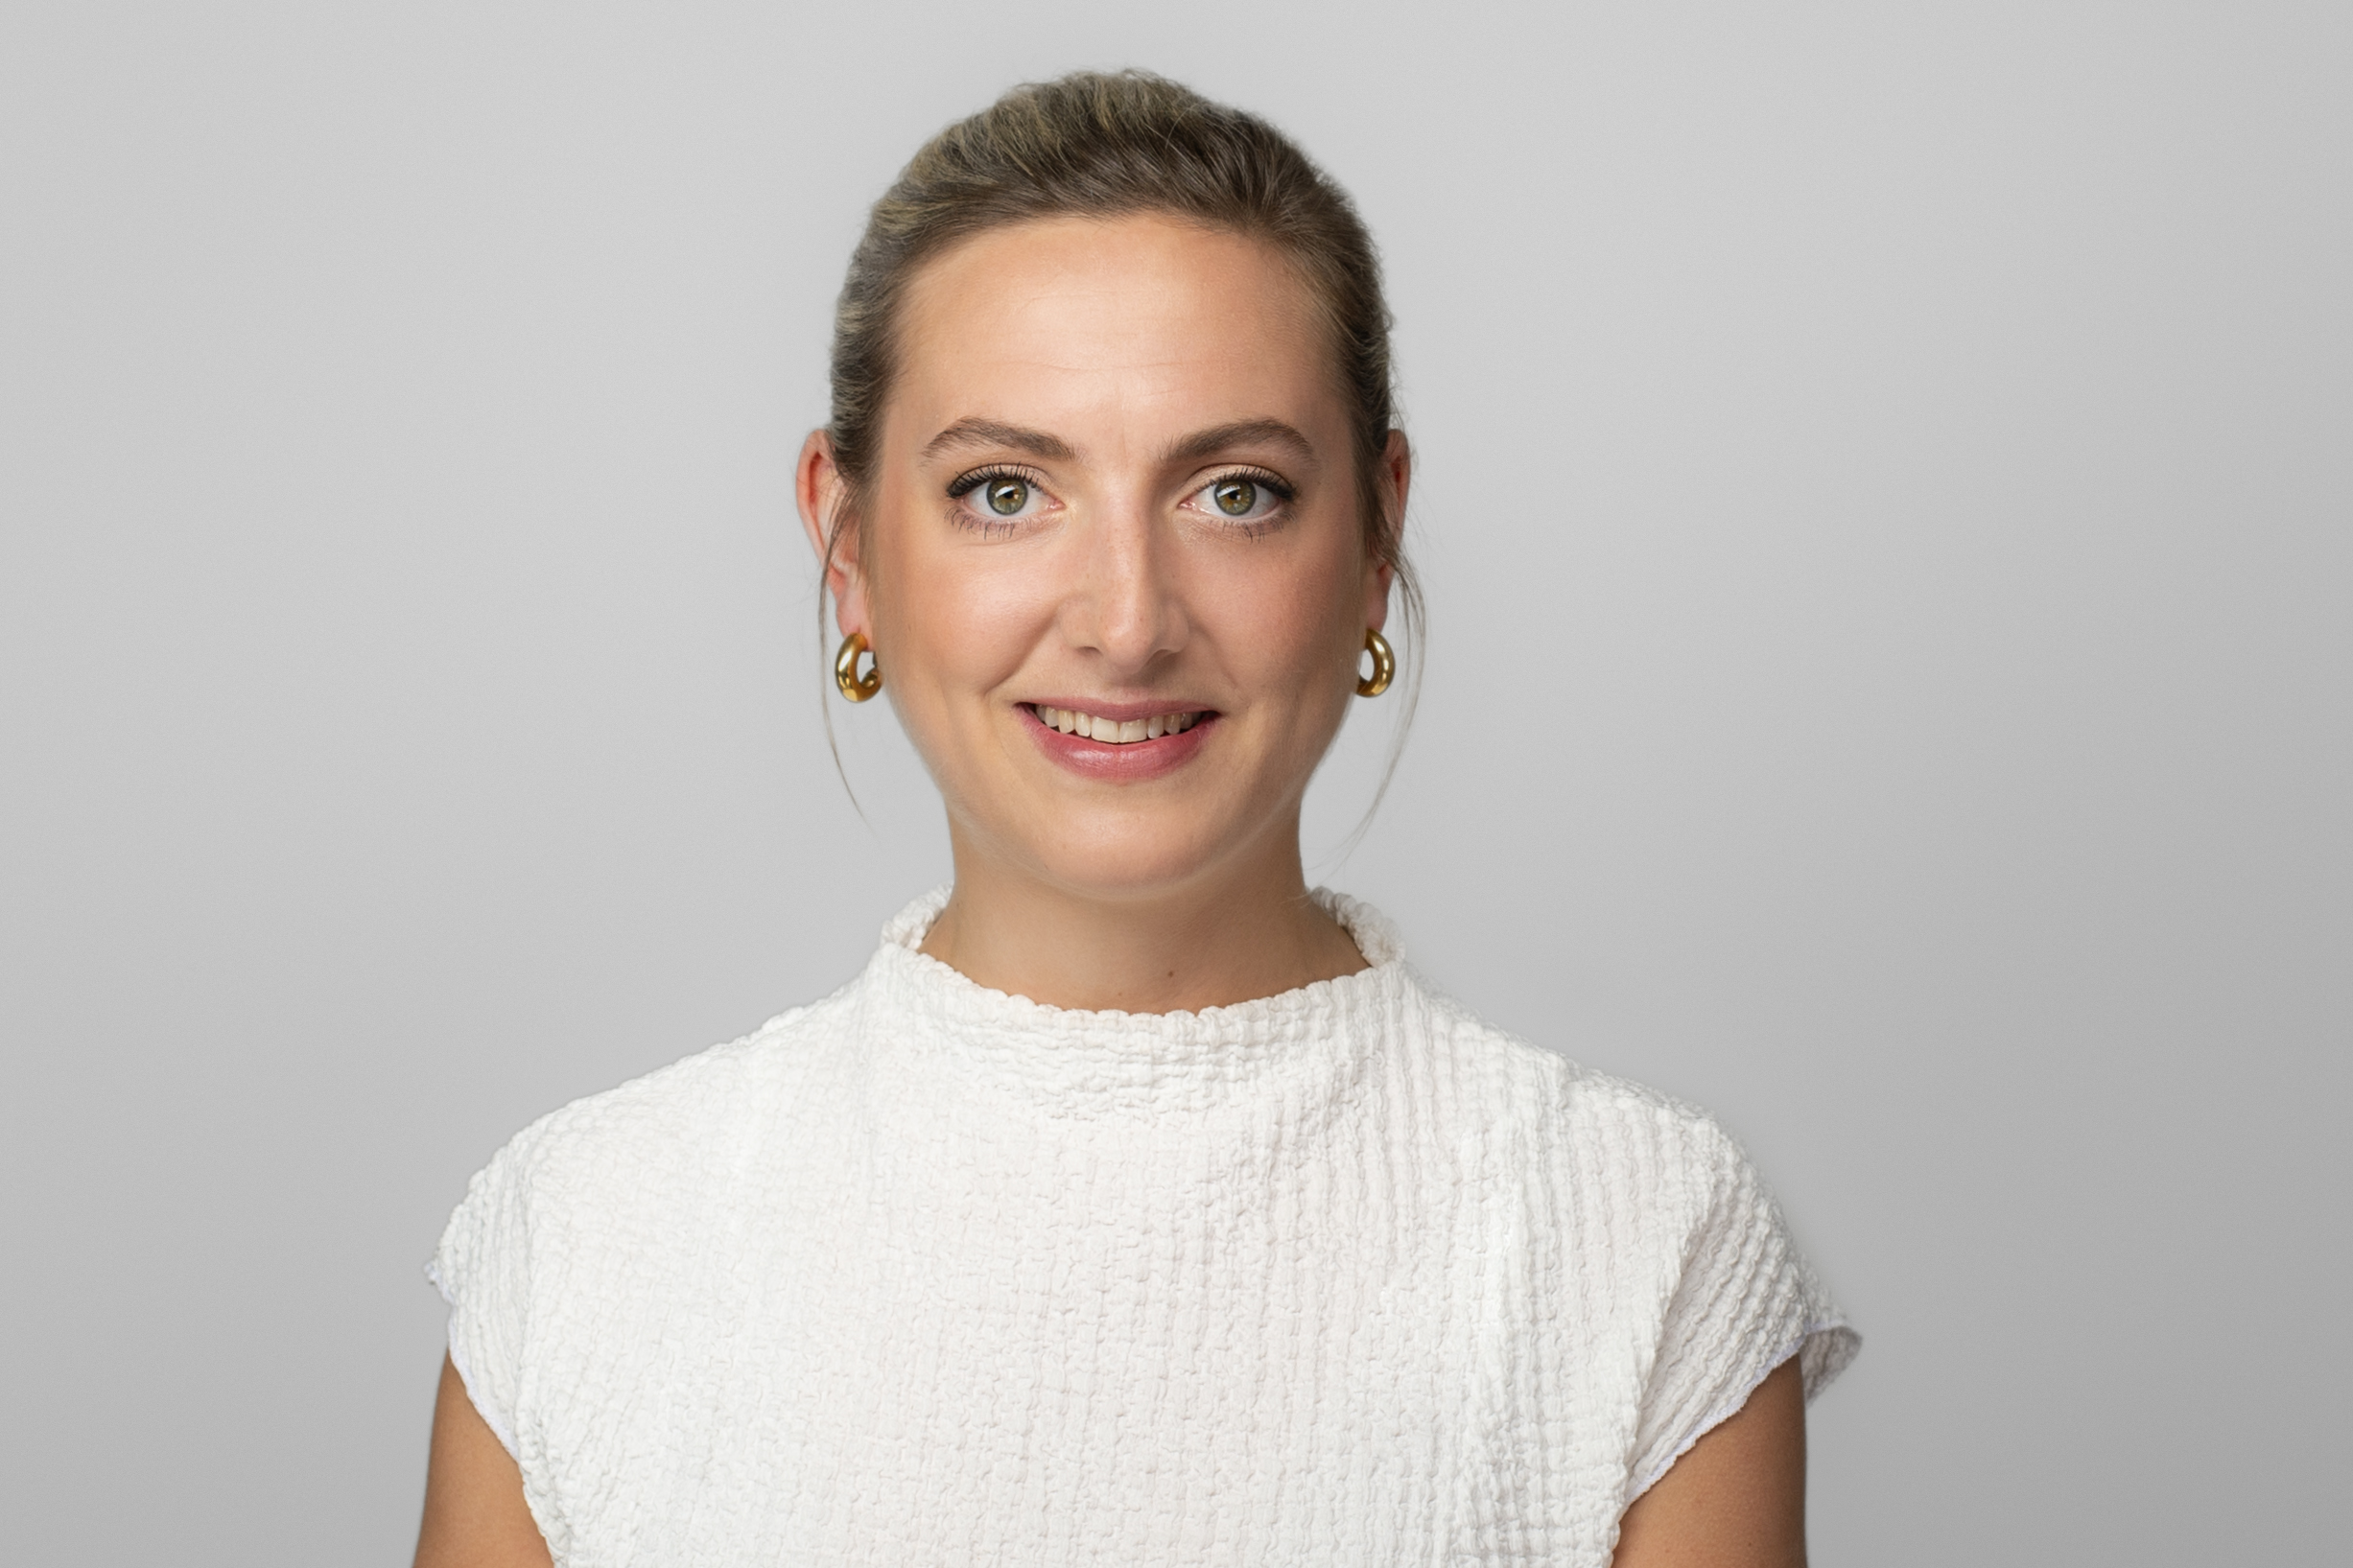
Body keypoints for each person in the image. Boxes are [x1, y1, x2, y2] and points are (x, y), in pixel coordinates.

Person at [413, 70, 1856, 1568]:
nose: (1125, 621)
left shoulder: (1637, 1235)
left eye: (1233, 493)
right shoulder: (584, 1231)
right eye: (1002, 491)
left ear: (1374, 536)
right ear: (847, 547)